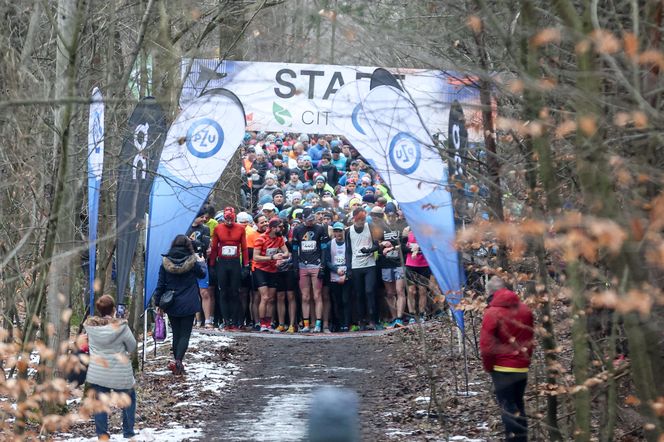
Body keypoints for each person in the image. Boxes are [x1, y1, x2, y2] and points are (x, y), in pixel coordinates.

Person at [480, 277, 534, 442]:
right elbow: (530, 338)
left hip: (502, 368)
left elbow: (486, 346)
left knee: (508, 408)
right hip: (521, 367)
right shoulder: (525, 310)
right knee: (519, 406)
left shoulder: (492, 312)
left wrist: (489, 367)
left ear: (491, 292)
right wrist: (526, 360)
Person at [85, 294, 137, 440]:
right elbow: (132, 346)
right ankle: (128, 432)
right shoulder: (121, 327)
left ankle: (102, 434)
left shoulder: (90, 328)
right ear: (114, 309)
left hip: (98, 371)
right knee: (129, 399)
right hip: (120, 372)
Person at [153, 235, 206, 375]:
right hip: (189, 301)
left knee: (176, 333)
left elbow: (160, 284)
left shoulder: (165, 262)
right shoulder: (193, 261)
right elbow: (202, 275)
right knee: (185, 334)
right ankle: (178, 361)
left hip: (171, 302)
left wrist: (158, 303)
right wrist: (201, 262)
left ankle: (176, 361)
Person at [209, 207, 249, 331]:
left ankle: (237, 320)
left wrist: (246, 266)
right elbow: (215, 248)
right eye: (227, 219)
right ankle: (226, 321)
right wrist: (211, 265)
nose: (229, 222)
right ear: (223, 219)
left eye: (231, 219)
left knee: (235, 292)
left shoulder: (240, 229)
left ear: (234, 218)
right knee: (223, 292)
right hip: (222, 263)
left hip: (235, 262)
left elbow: (244, 248)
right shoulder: (218, 228)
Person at [292, 209, 330, 333]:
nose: (310, 222)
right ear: (303, 219)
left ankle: (318, 324)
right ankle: (306, 324)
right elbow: (294, 249)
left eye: (312, 220)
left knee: (317, 295)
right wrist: (295, 266)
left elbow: (324, 248)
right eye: (308, 220)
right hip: (303, 265)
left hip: (316, 264)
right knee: (305, 296)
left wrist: (323, 266)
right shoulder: (297, 230)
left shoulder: (320, 228)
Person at [346, 207, 380, 330]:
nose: (362, 221)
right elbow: (348, 251)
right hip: (356, 266)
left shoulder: (370, 228)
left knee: (369, 291)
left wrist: (369, 250)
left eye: (363, 219)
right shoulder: (349, 231)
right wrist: (349, 268)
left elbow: (377, 245)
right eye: (360, 219)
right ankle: (361, 321)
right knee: (359, 294)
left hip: (369, 264)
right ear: (355, 219)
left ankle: (372, 320)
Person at [253, 217, 290, 331]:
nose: (281, 229)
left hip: (272, 269)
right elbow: (256, 257)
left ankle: (269, 323)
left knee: (271, 298)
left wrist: (282, 257)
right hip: (260, 269)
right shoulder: (261, 239)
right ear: (273, 228)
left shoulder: (279, 239)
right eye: (279, 227)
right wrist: (272, 257)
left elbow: (286, 252)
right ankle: (262, 323)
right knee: (264, 297)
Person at [186, 208, 213, 328]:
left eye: (205, 217)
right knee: (190, 291)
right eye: (201, 217)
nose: (204, 219)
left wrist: (194, 242)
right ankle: (193, 319)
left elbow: (205, 245)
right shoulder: (186, 227)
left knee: (204, 291)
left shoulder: (205, 229)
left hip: (200, 260)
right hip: (187, 261)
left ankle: (207, 320)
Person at [325, 222, 352, 332]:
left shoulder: (348, 244)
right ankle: (339, 323)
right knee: (337, 301)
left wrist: (345, 275)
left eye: (340, 231)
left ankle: (347, 323)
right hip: (334, 276)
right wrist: (336, 270)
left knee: (346, 300)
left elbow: (350, 260)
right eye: (335, 231)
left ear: (343, 231)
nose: (338, 233)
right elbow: (326, 261)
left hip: (346, 276)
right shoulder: (329, 244)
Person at [405, 229, 430, 323]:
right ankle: (412, 315)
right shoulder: (408, 232)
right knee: (411, 291)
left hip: (424, 265)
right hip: (410, 265)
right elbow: (403, 246)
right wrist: (412, 248)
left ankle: (422, 314)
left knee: (422, 290)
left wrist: (418, 247)